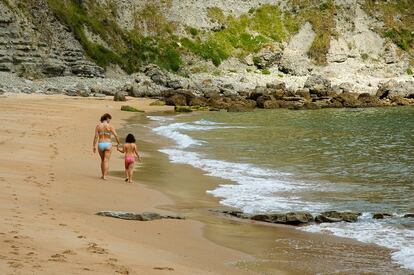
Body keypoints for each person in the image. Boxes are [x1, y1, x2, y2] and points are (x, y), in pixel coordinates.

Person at [93, 113, 120, 180]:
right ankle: (105, 175)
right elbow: (116, 135)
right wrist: (118, 143)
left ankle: (102, 175)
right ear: (107, 118)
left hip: (100, 143)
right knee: (106, 160)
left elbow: (96, 137)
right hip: (108, 144)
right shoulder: (110, 126)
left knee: (102, 160)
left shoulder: (98, 126)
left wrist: (94, 146)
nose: (109, 121)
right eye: (109, 119)